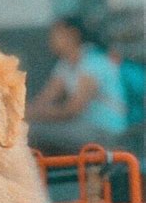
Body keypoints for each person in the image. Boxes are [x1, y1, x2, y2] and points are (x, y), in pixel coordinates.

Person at [27, 16, 128, 154]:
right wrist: (23, 113)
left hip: (104, 133)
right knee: (25, 129)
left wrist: (30, 115)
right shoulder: (65, 64)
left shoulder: (93, 61)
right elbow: (44, 99)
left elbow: (73, 109)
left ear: (72, 35)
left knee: (31, 132)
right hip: (81, 128)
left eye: (56, 34)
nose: (50, 39)